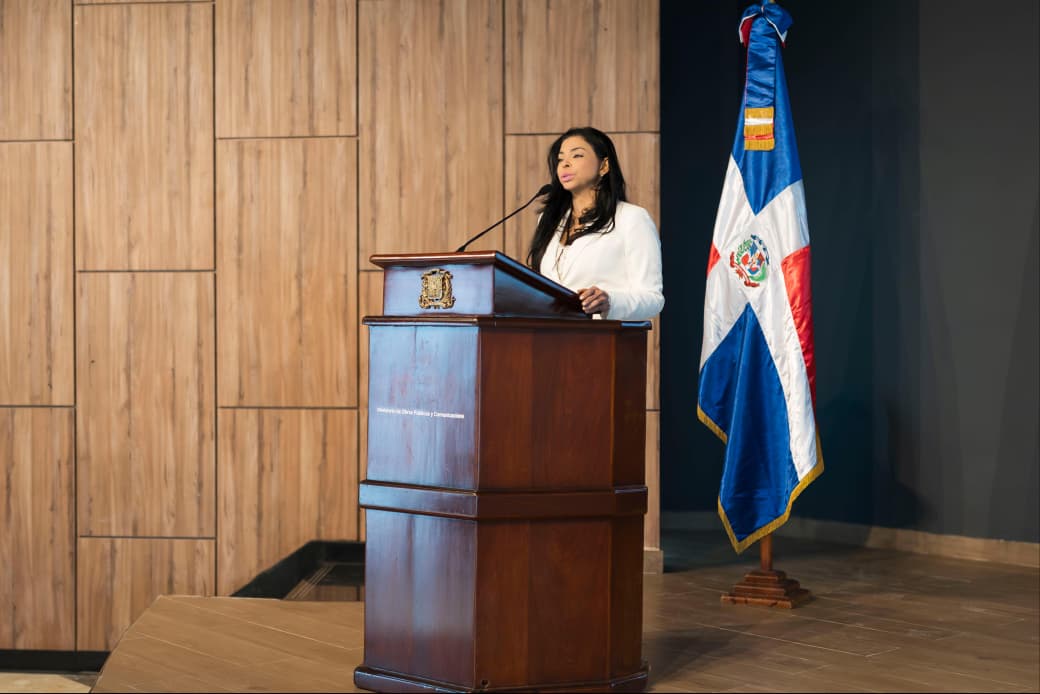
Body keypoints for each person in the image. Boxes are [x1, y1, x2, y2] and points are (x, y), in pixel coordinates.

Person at [527, 126, 664, 321]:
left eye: (577, 155)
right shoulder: (548, 220)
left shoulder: (631, 218)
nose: (565, 164)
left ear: (604, 166)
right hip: (550, 334)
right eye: (560, 159)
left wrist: (610, 302)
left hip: (602, 336)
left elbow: (653, 299)